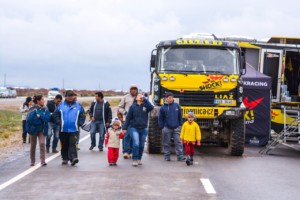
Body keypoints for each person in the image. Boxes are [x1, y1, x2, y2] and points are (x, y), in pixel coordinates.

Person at [53, 90, 86, 166]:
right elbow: (55, 115)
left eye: (72, 96)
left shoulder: (78, 105)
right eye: (69, 96)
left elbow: (83, 115)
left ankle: (73, 158)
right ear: (66, 97)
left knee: (72, 143)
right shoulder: (60, 105)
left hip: (74, 129)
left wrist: (79, 123)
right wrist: (59, 122)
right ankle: (65, 158)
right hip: (63, 129)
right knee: (64, 144)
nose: (71, 97)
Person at [123, 93, 154, 167]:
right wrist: (125, 128)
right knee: (136, 144)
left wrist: (145, 99)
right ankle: (135, 159)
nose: (140, 97)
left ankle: (139, 158)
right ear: (136, 98)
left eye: (141, 95)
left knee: (141, 145)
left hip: (144, 128)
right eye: (139, 96)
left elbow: (152, 107)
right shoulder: (132, 107)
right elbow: (128, 118)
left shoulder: (145, 106)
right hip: (134, 128)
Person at [158, 92, 185, 161]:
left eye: (172, 97)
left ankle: (180, 156)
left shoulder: (177, 106)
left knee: (178, 142)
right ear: (166, 98)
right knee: (166, 143)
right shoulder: (162, 108)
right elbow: (160, 118)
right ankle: (167, 156)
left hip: (176, 127)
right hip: (166, 128)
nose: (171, 99)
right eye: (169, 98)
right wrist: (162, 127)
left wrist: (180, 125)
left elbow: (180, 116)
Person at [26, 95, 50, 166]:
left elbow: (47, 119)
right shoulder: (32, 109)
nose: (44, 101)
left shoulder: (45, 108)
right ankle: (32, 161)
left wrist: (40, 116)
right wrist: (28, 129)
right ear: (38, 101)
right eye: (42, 99)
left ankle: (43, 161)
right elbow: (29, 120)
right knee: (33, 145)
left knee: (42, 143)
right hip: (33, 130)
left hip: (42, 130)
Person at [118, 84, 138, 159]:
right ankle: (126, 151)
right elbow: (120, 107)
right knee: (126, 136)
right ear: (130, 90)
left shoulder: (139, 97)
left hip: (136, 120)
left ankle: (132, 152)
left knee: (134, 137)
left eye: (135, 89)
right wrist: (124, 112)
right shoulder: (125, 97)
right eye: (132, 89)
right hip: (127, 120)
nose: (133, 90)